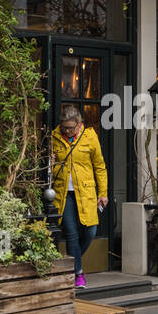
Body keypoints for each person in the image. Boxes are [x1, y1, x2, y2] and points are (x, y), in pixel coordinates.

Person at [50, 105, 108, 288]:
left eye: (70, 128)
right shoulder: (54, 137)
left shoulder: (90, 137)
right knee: (72, 234)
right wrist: (50, 161)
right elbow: (48, 169)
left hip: (87, 193)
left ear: (79, 124)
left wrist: (103, 193)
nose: (67, 131)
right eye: (64, 127)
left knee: (90, 231)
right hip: (62, 193)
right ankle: (78, 274)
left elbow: (99, 166)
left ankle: (68, 265)